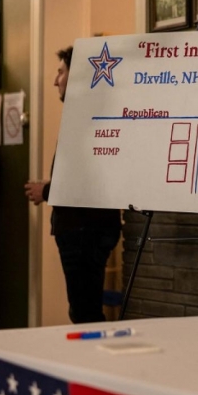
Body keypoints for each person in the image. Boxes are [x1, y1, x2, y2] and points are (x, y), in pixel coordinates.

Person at [24, 47, 122, 324]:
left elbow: (84, 181)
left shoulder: (82, 117)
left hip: (82, 227)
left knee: (84, 313)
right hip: (95, 224)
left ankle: (94, 353)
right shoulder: (98, 112)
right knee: (85, 309)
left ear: (77, 75)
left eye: (61, 72)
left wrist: (45, 191)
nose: (56, 81)